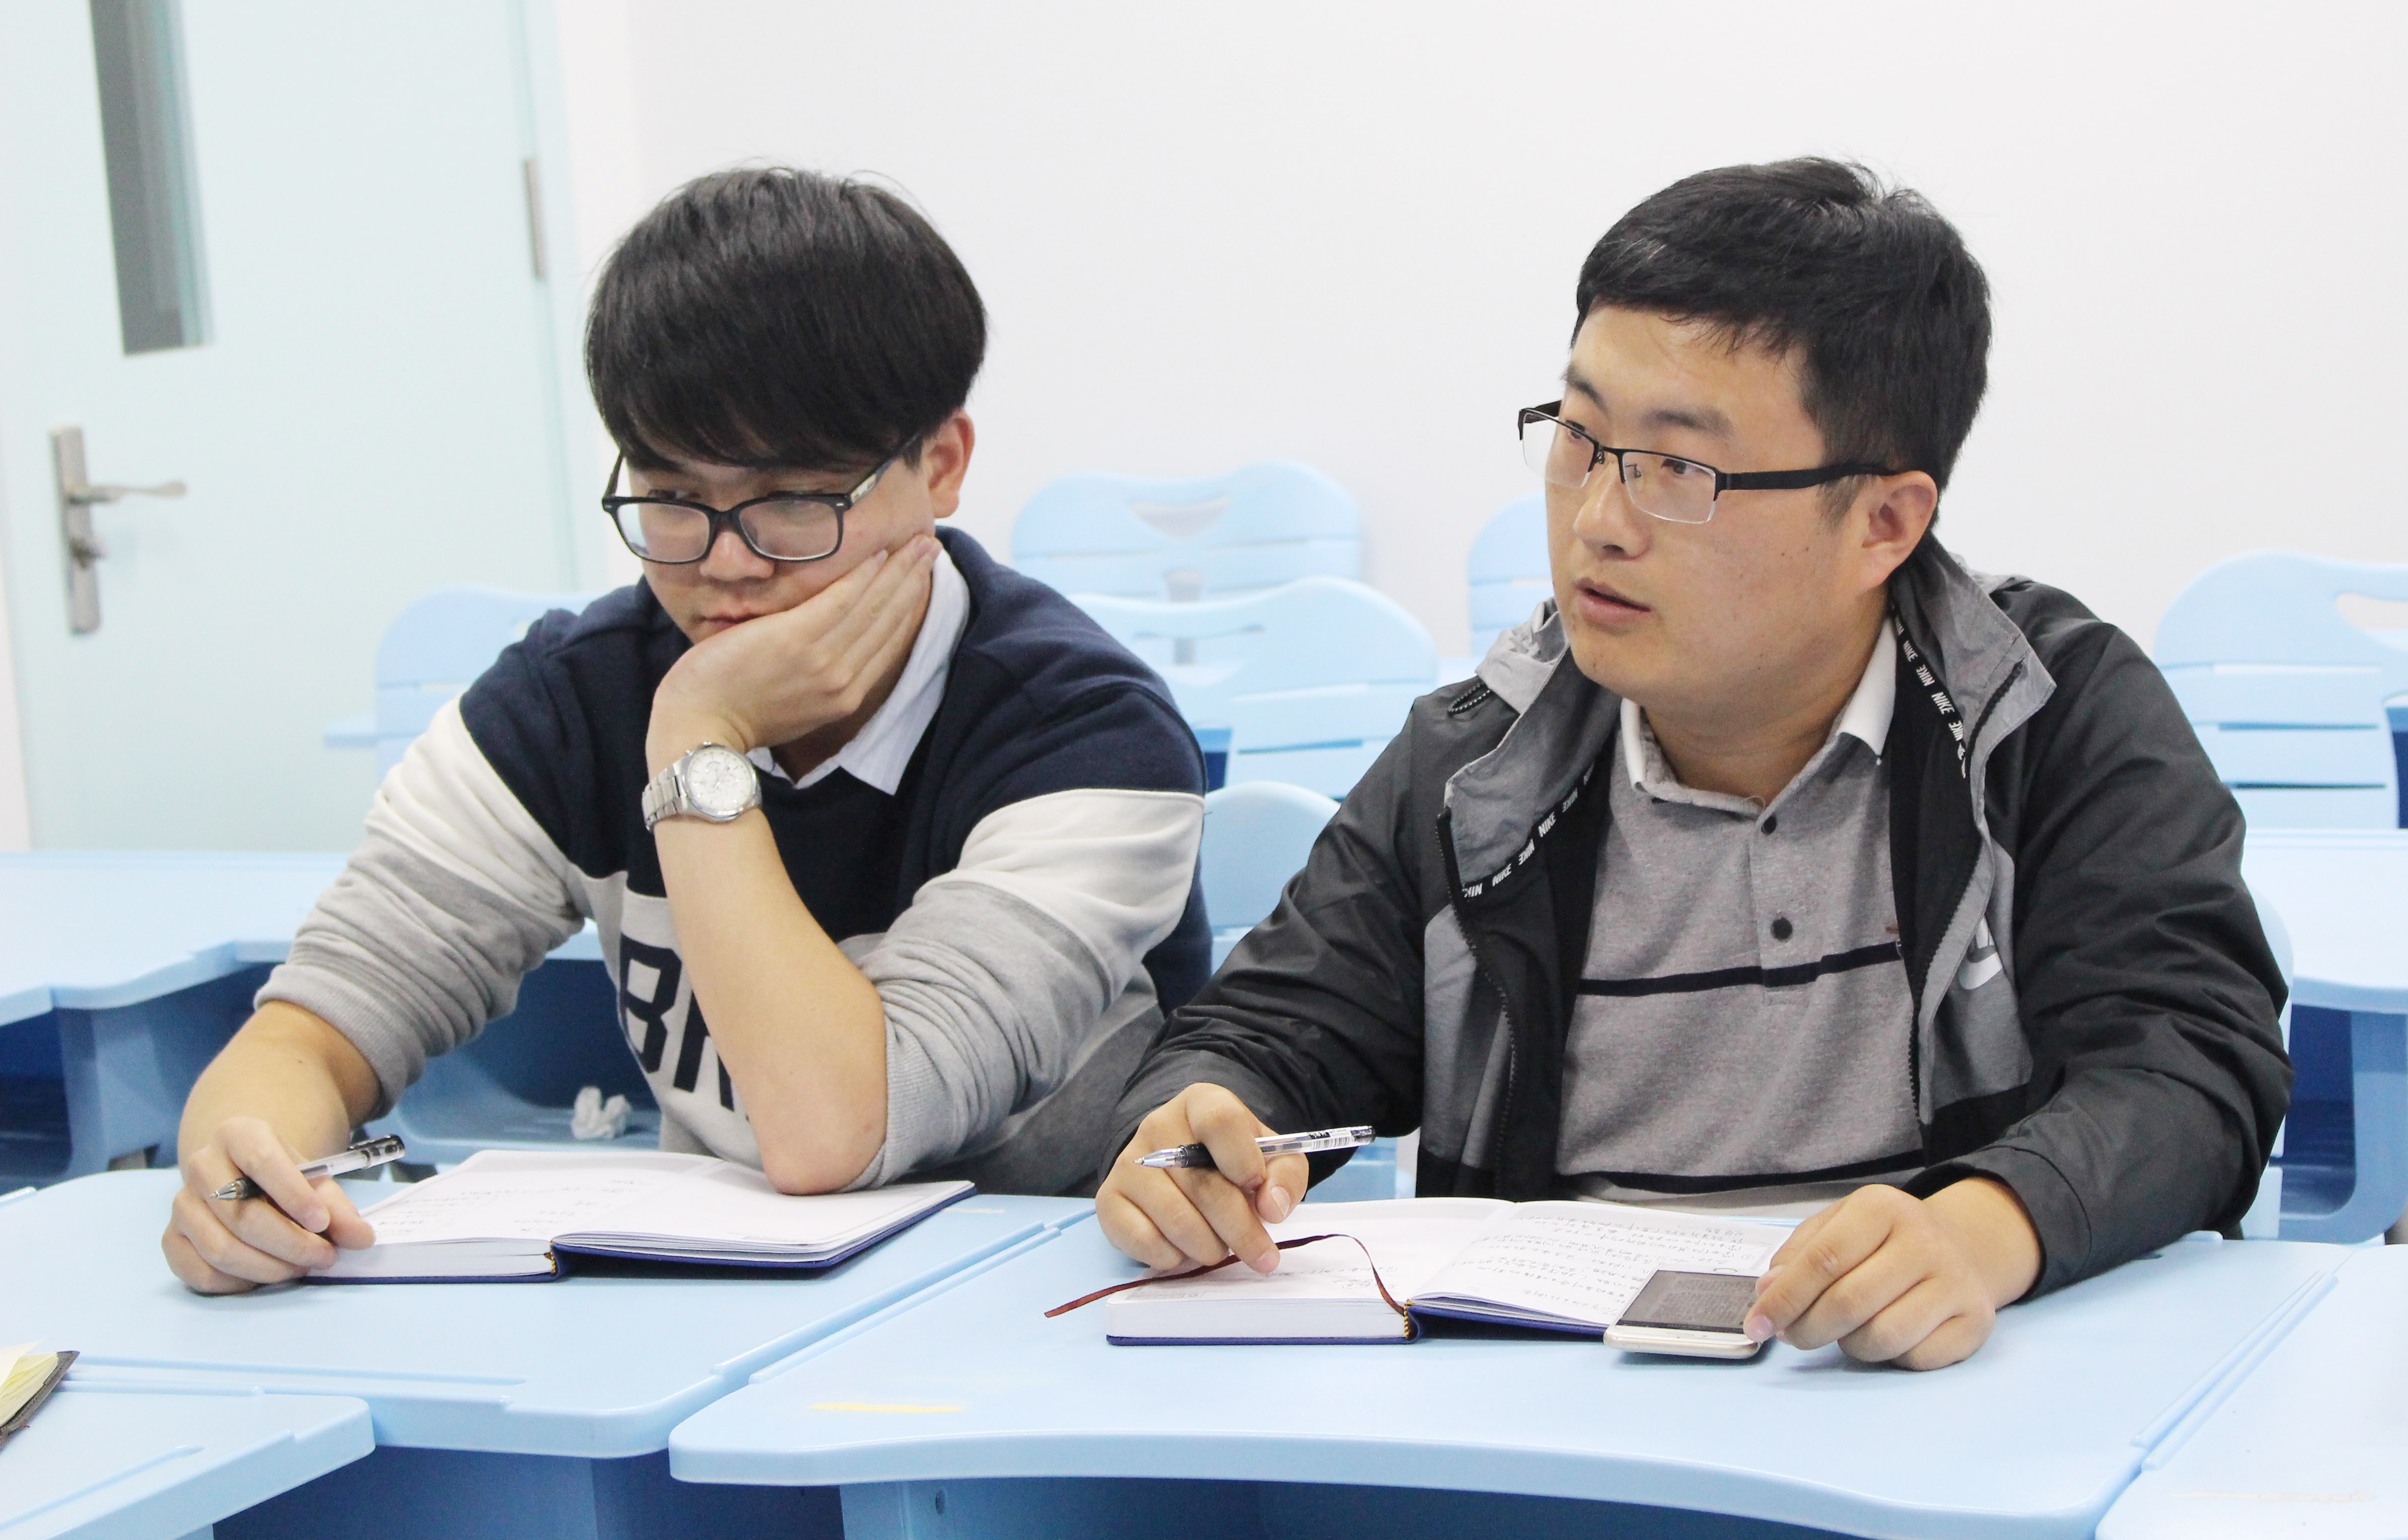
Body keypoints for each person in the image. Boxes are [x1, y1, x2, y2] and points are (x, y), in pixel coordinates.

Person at [1097, 159, 2292, 1371]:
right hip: (1561, 1409)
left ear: (1884, 522)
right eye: (1579, 437)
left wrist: (1983, 1230)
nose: (1597, 522)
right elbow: (1269, 1035)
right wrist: (1190, 1137)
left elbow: (2190, 1066)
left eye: (1679, 469)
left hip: (1916, 1399)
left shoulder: (2042, 718)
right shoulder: (1480, 761)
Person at [165, 168, 1211, 1293]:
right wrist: (245, 1183)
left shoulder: (1085, 737)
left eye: (795, 501)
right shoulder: (570, 702)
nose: (727, 563)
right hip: (706, 1305)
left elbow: (835, 1133)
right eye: (670, 498)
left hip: (1040, 1301)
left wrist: (701, 744)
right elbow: (318, 1029)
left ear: (941, 465)